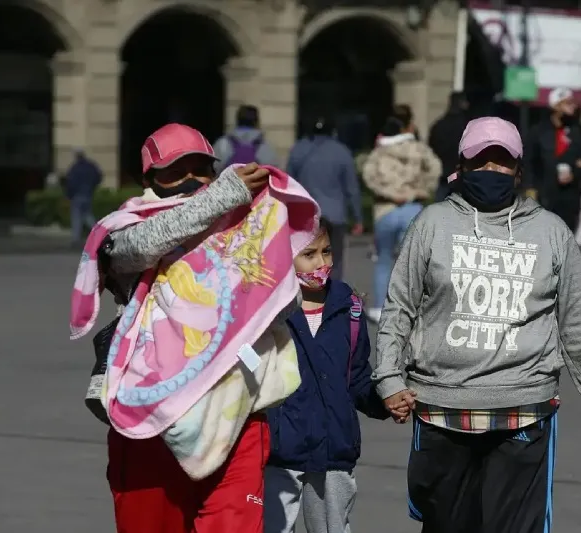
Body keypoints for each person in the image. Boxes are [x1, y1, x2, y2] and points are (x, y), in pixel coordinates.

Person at [373, 117, 581, 533]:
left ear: (518, 170)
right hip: (441, 409)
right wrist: (388, 378)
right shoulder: (432, 224)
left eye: (502, 162)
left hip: (523, 412)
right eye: (481, 161)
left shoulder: (550, 232)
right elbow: (399, 306)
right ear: (462, 166)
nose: (492, 171)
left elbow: (579, 323)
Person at [98, 123, 287, 533]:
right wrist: (223, 195)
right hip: (153, 418)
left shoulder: (243, 222)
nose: (190, 179)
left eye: (201, 168)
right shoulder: (123, 227)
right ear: (148, 178)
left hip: (234, 411)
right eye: (175, 170)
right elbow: (139, 247)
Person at [264, 218, 388, 533]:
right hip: (281, 453)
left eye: (327, 251)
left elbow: (357, 377)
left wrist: (384, 400)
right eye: (310, 254)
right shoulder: (267, 312)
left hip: (335, 451)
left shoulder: (349, 307)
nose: (322, 262)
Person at [362, 116, 441, 323]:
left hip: (385, 208)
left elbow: (368, 176)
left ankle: (380, 308)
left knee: (383, 260)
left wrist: (388, 192)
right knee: (412, 263)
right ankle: (411, 309)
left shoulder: (379, 153)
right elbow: (435, 168)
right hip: (413, 207)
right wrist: (422, 189)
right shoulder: (418, 149)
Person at [287, 117, 364, 280]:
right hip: (335, 215)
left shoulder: (298, 150)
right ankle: (333, 299)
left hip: (306, 215)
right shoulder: (342, 151)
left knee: (305, 259)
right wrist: (358, 218)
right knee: (334, 260)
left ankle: (309, 299)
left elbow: (288, 185)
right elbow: (351, 188)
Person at [524, 87, 581, 233]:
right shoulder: (538, 131)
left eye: (573, 103)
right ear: (555, 106)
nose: (573, 106)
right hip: (544, 194)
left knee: (565, 239)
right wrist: (530, 188)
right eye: (567, 103)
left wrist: (575, 173)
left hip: (570, 196)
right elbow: (529, 162)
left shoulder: (579, 131)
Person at [428, 91, 469, 201]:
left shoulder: (438, 125)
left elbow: (431, 149)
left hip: (443, 175)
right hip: (460, 175)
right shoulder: (468, 128)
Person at [214, 104, 279, 171]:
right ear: (256, 121)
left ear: (237, 120)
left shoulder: (222, 144)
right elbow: (272, 171)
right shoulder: (265, 146)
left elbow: (214, 168)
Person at [64, 149, 103, 244]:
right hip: (88, 194)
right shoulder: (91, 166)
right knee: (87, 215)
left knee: (76, 216)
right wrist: (92, 187)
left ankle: (76, 238)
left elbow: (70, 183)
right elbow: (98, 176)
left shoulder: (75, 168)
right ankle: (98, 233)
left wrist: (69, 195)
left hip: (77, 195)